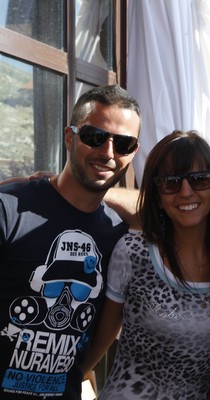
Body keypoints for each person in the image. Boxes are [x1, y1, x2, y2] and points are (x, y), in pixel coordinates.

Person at [0, 84, 141, 399]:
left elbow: (168, 210)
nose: (108, 153)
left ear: (133, 152)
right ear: (69, 137)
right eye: (94, 137)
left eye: (123, 144)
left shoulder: (117, 235)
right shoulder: (9, 210)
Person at [82, 130, 210, 399]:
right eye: (170, 183)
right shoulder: (133, 253)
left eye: (199, 179)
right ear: (158, 195)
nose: (186, 192)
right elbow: (98, 345)